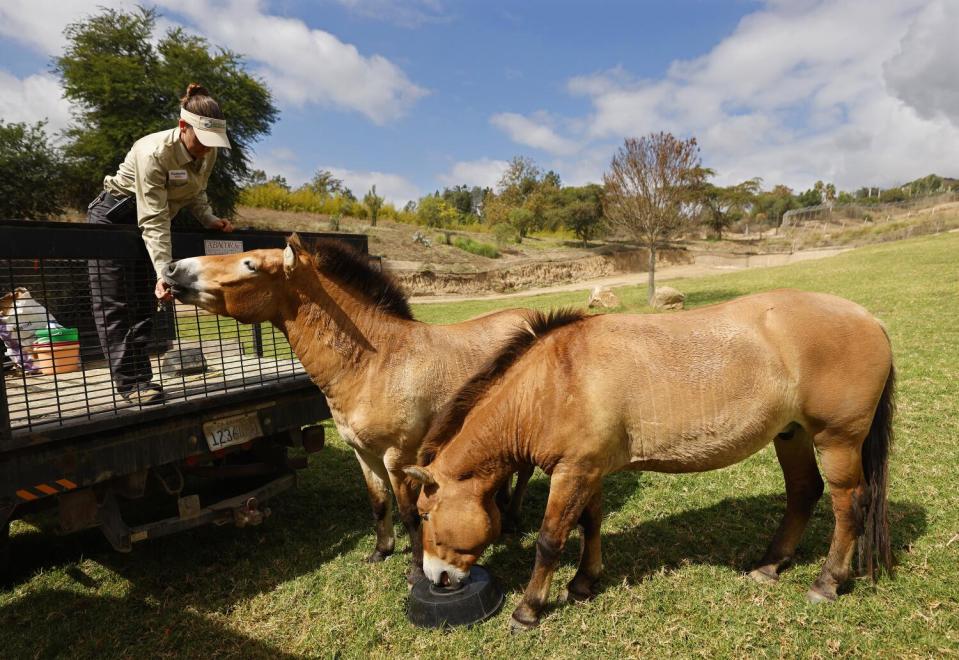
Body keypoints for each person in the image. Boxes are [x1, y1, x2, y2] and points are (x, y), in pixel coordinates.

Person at [87, 83, 234, 405]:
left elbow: (195, 192)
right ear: (183, 127)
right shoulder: (153, 152)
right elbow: (152, 218)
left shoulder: (205, 153)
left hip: (155, 224)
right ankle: (131, 384)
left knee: (144, 302)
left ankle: (142, 379)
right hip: (114, 218)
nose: (207, 150)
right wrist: (164, 271)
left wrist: (208, 219)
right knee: (116, 303)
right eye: (202, 141)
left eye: (214, 144)